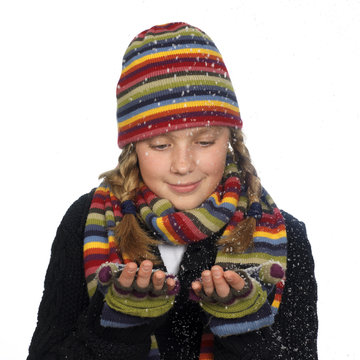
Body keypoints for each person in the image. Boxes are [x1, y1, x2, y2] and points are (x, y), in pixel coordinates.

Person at [27, 22, 318, 360]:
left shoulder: (286, 236)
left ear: (230, 139)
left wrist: (248, 331)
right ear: (134, 145)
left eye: (205, 141)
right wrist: (117, 328)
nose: (183, 164)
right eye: (161, 144)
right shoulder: (85, 221)